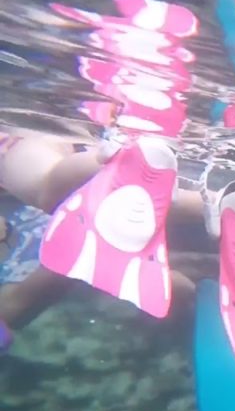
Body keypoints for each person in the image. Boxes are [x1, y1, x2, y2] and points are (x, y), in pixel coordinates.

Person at [0, 130, 206, 348]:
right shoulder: (17, 283)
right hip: (105, 205)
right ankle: (216, 205)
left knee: (48, 191)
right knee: (129, 215)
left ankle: (119, 156)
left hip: (32, 161)